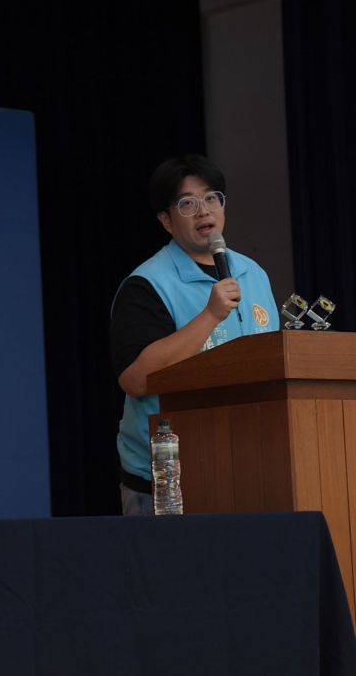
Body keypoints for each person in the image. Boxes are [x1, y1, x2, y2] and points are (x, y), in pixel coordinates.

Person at [110, 154, 280, 515]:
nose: (203, 211)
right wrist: (210, 316)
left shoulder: (253, 273)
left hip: (252, 467)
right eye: (187, 203)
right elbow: (136, 379)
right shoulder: (146, 285)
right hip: (166, 484)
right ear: (166, 220)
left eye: (211, 198)